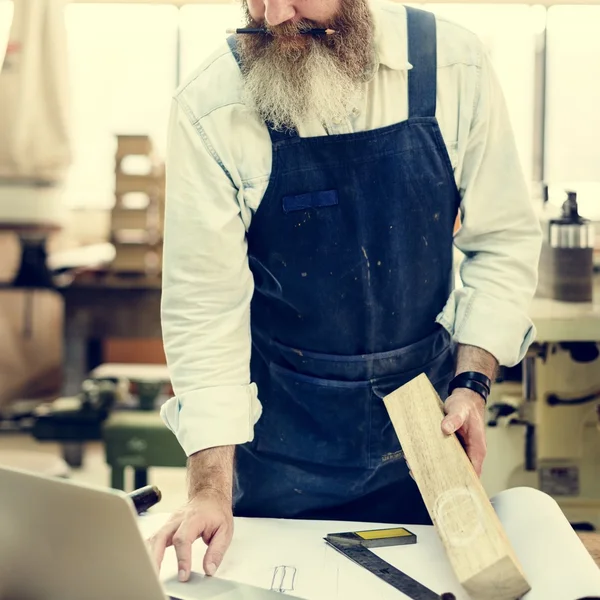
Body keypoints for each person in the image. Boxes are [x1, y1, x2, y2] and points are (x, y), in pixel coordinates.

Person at [148, 0, 542, 584]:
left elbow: (504, 242)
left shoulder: (458, 69)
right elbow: (205, 306)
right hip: (282, 440)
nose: (275, 16)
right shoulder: (215, 104)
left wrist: (472, 385)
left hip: (425, 438)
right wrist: (208, 487)